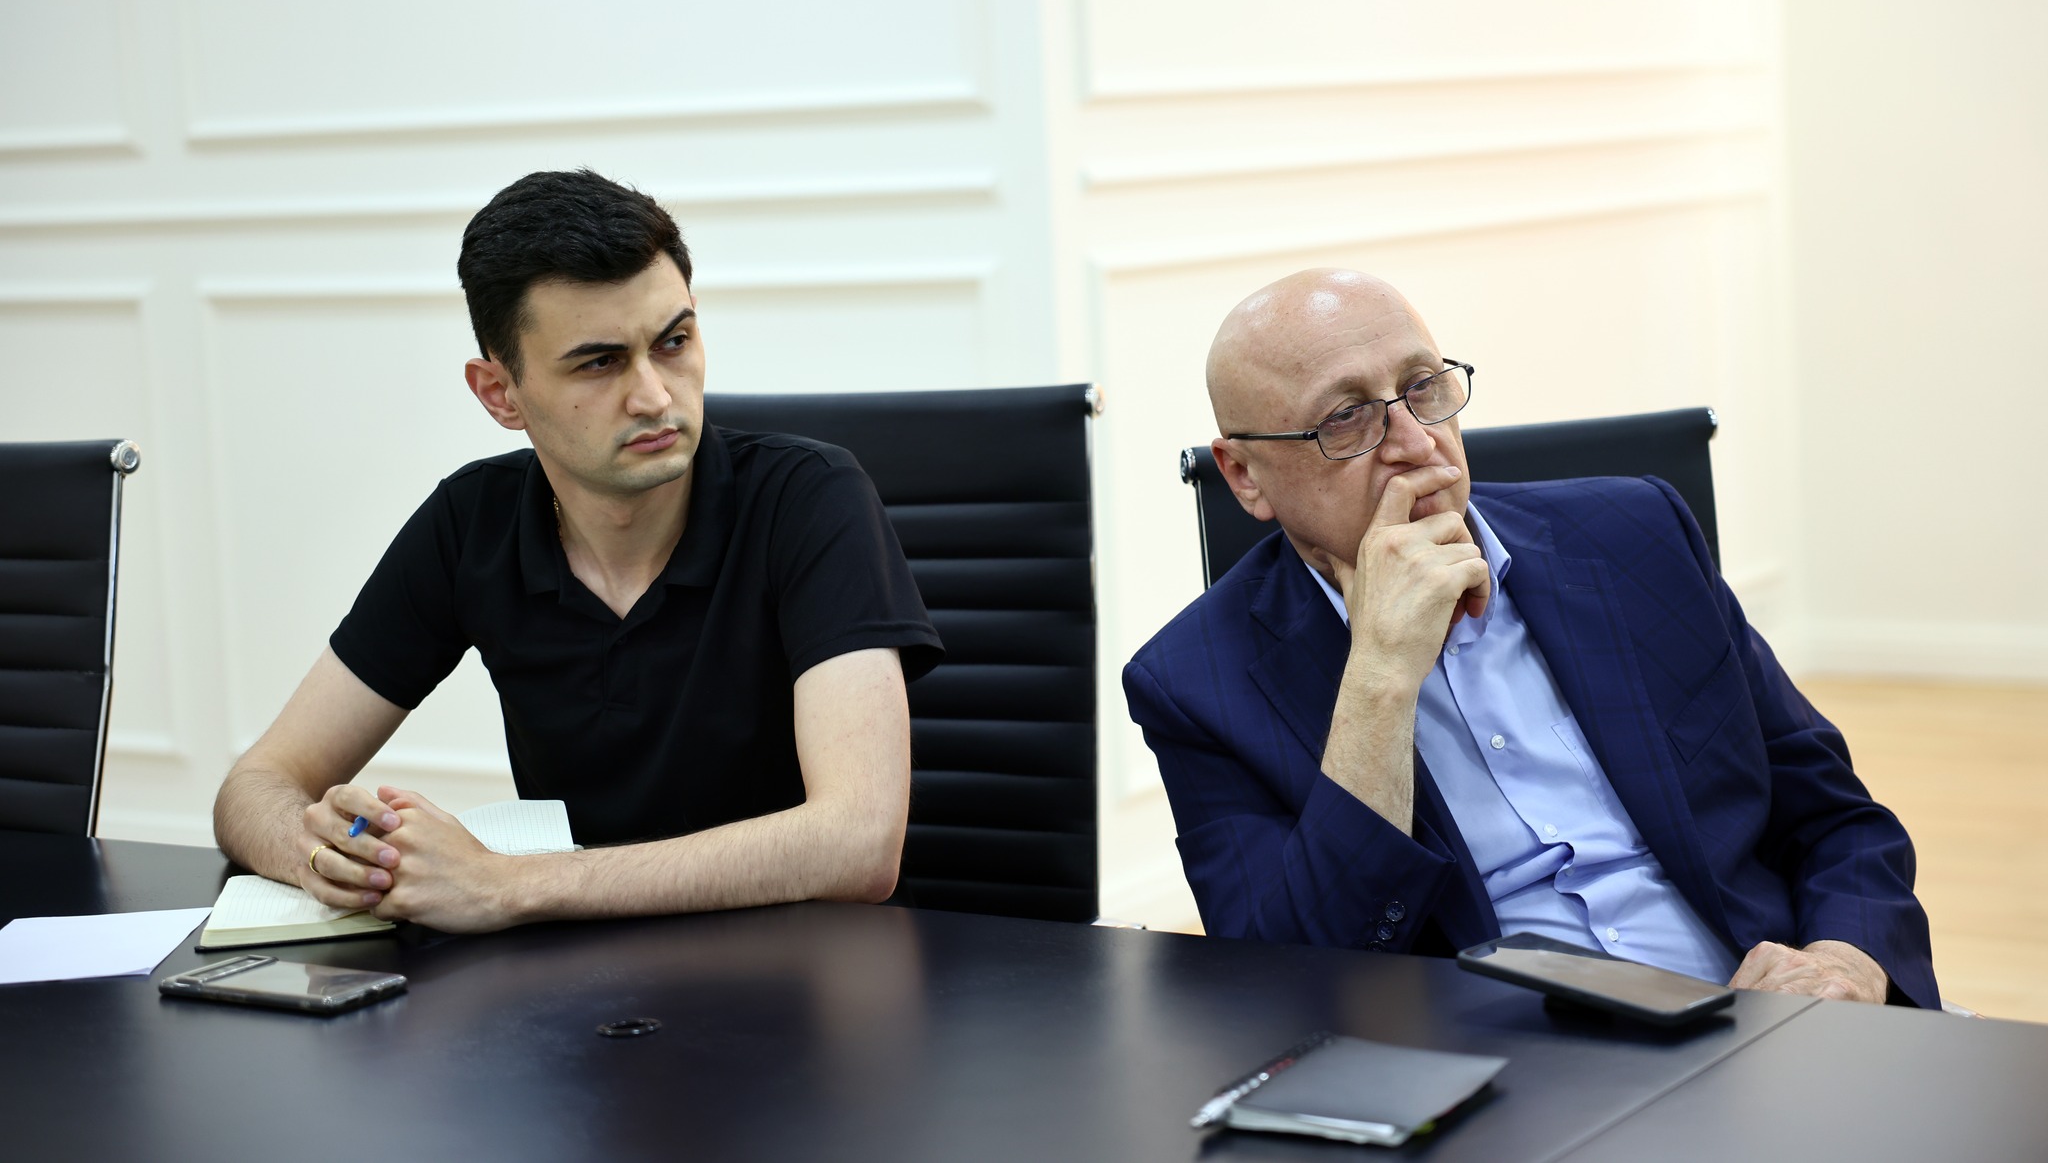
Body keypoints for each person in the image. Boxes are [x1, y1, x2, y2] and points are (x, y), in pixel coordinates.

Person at [1124, 268, 1937, 1007]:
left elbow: (1836, 819)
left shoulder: (1636, 535)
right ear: (1244, 476)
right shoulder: (1194, 682)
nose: (1417, 442)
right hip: (1512, 1074)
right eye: (1346, 418)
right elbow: (1291, 980)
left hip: (1762, 1017)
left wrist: (1843, 959)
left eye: (1423, 387)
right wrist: (1379, 676)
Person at [213, 169, 942, 933]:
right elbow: (256, 784)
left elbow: (858, 842)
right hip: (580, 980)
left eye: (674, 341)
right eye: (599, 362)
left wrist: (506, 884)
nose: (655, 395)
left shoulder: (811, 497)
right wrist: (327, 854)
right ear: (500, 393)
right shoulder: (471, 522)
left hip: (806, 973)